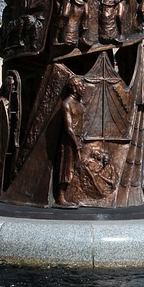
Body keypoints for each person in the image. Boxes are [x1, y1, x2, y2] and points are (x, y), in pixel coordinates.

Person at [56, 75, 85, 207]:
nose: (83, 88)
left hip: (78, 139)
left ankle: (72, 194)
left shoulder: (80, 104)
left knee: (76, 168)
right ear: (73, 88)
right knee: (66, 168)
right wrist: (76, 145)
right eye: (80, 85)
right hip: (69, 141)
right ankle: (61, 197)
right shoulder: (67, 103)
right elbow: (68, 128)